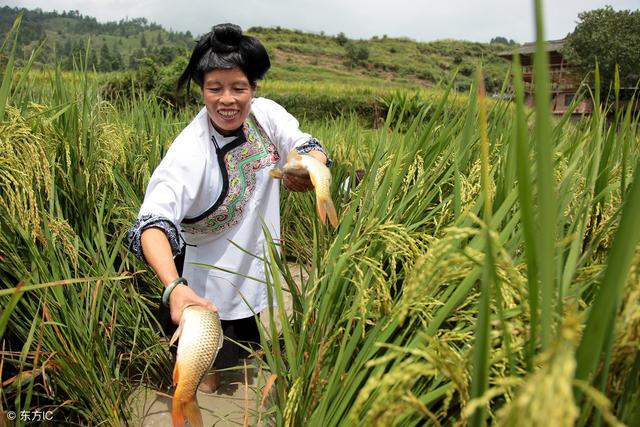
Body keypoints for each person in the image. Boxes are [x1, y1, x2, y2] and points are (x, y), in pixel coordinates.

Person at [127, 23, 330, 392]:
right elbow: (152, 223)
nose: (227, 100)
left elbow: (304, 145)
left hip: (254, 279)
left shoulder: (265, 115)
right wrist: (174, 287)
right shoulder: (190, 152)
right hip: (204, 293)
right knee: (200, 384)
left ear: (253, 89)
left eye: (238, 87)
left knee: (245, 362)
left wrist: (311, 166)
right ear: (201, 91)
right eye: (214, 88)